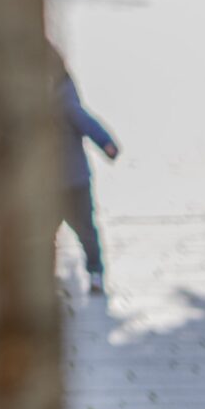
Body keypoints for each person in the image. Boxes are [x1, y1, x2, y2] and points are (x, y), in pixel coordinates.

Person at [55, 51, 120, 296]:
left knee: (84, 229)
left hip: (74, 182)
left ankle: (95, 272)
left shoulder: (63, 102)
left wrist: (106, 144)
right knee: (45, 233)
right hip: (49, 184)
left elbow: (87, 123)